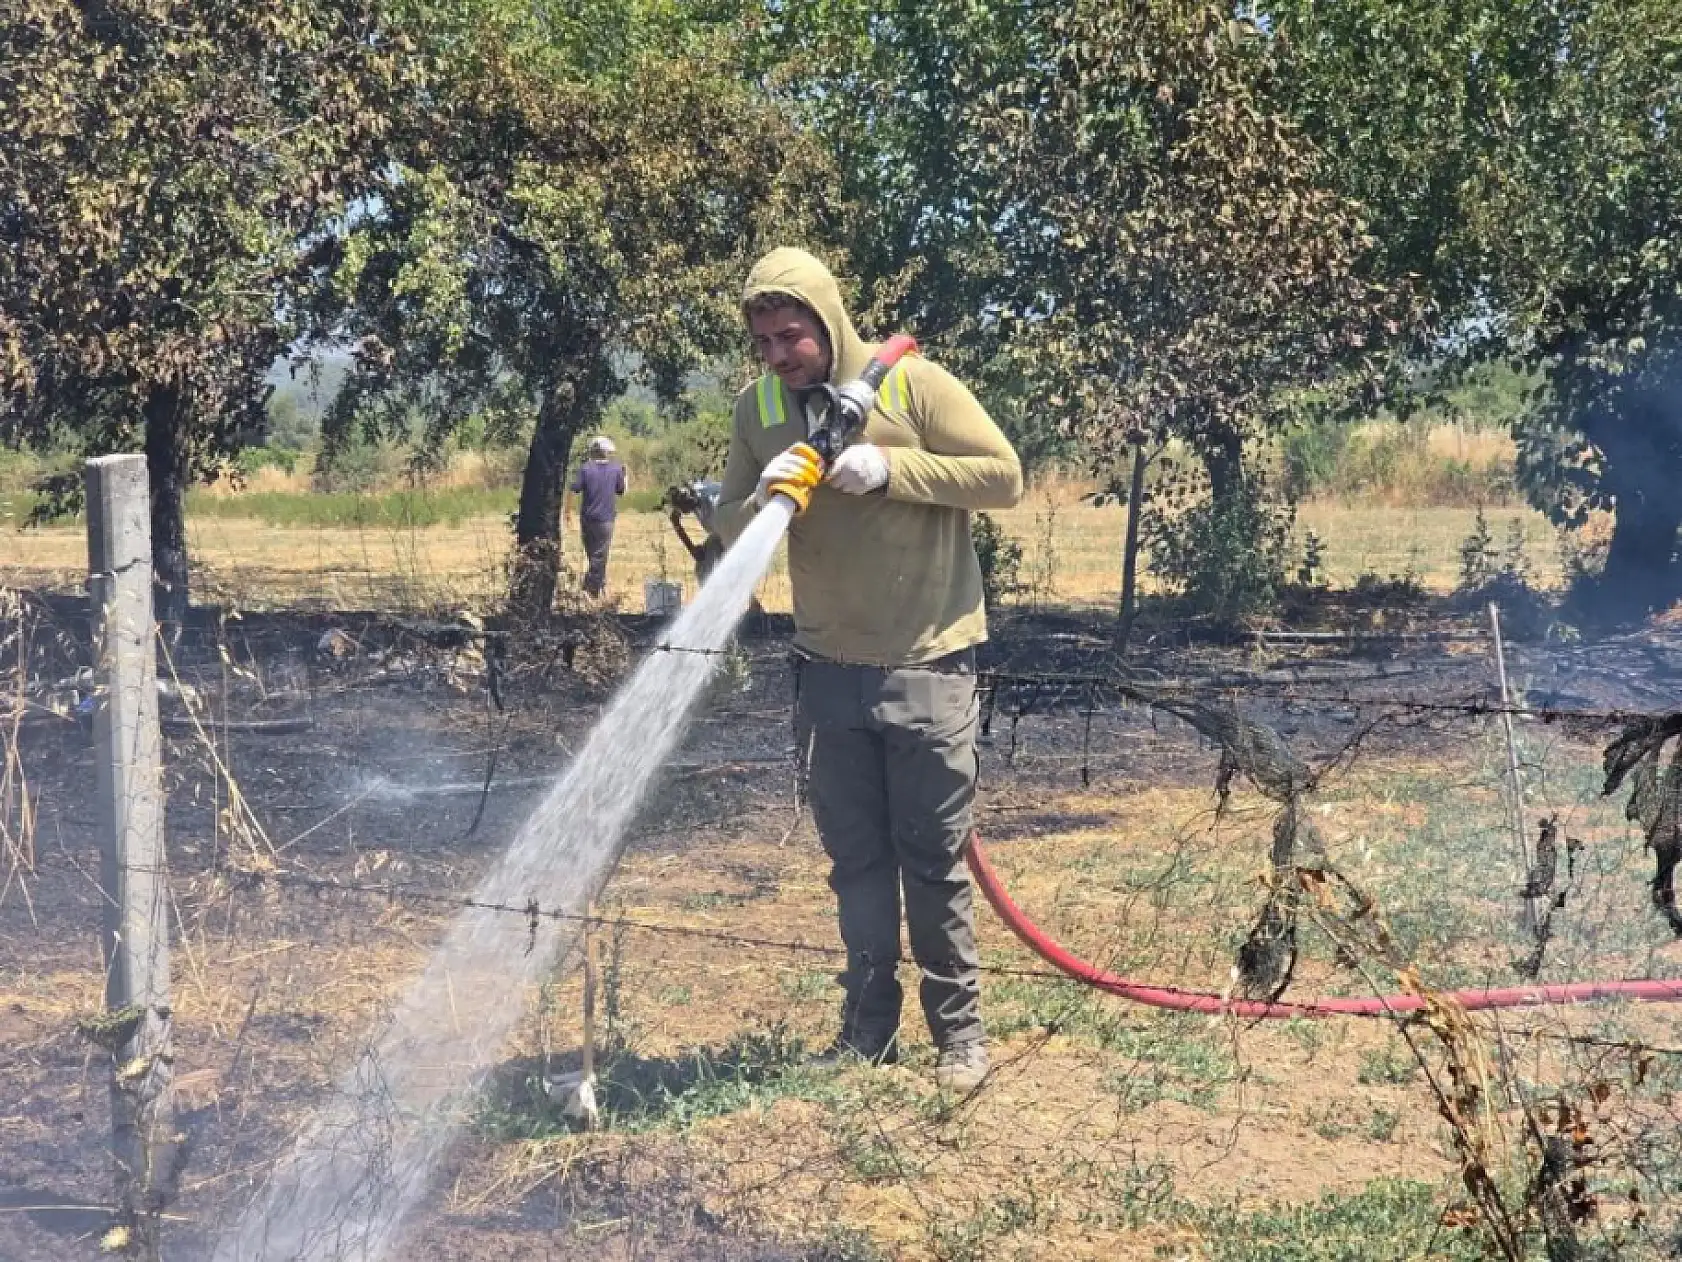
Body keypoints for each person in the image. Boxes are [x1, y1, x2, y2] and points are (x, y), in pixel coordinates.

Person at [714, 247, 1023, 1092]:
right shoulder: (759, 409)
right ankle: (867, 1034)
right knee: (855, 863)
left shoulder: (913, 386)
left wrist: (893, 469)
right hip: (827, 671)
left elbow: (1004, 476)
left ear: (828, 320)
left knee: (931, 860)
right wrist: (750, 499)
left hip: (926, 664)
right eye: (764, 342)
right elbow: (729, 533)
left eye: (792, 336)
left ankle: (959, 1038)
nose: (779, 355)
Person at [569, 435, 627, 598]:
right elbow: (621, 491)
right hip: (605, 519)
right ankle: (588, 589)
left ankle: (599, 588)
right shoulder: (616, 469)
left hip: (587, 518)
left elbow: (574, 489)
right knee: (599, 556)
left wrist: (567, 513)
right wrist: (625, 475)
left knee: (593, 554)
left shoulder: (585, 468)